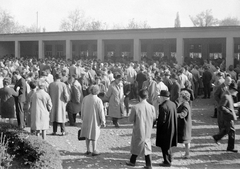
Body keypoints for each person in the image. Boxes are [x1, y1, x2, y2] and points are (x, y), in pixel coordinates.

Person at [126, 89, 156, 169]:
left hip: (139, 128)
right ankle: (148, 163)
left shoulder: (135, 107)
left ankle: (132, 161)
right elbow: (154, 118)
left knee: (136, 144)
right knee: (147, 144)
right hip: (148, 128)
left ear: (139, 97)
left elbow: (130, 120)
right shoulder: (152, 107)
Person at [212, 81, 238, 153]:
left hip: (227, 116)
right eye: (235, 91)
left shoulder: (228, 94)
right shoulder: (226, 95)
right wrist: (230, 112)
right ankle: (230, 147)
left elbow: (227, 105)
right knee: (232, 131)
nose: (236, 92)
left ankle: (217, 137)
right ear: (232, 89)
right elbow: (221, 107)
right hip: (227, 117)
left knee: (227, 130)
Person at [80, 85, 106, 156]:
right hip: (95, 119)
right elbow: (101, 111)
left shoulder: (85, 98)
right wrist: (103, 121)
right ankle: (94, 149)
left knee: (87, 134)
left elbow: (82, 108)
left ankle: (88, 149)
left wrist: (82, 117)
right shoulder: (98, 100)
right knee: (94, 134)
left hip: (86, 118)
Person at [156, 90, 178, 167]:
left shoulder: (163, 106)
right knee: (169, 145)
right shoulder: (173, 104)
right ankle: (170, 158)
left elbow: (162, 120)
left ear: (163, 97)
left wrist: (157, 123)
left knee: (164, 146)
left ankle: (167, 161)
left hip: (165, 129)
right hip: (172, 127)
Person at [177, 90, 192, 159]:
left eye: (180, 96)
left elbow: (183, 114)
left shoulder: (185, 105)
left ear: (183, 97)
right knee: (186, 140)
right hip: (186, 124)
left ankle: (187, 154)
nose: (179, 97)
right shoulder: (186, 104)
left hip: (184, 125)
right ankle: (187, 153)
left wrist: (175, 115)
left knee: (186, 140)